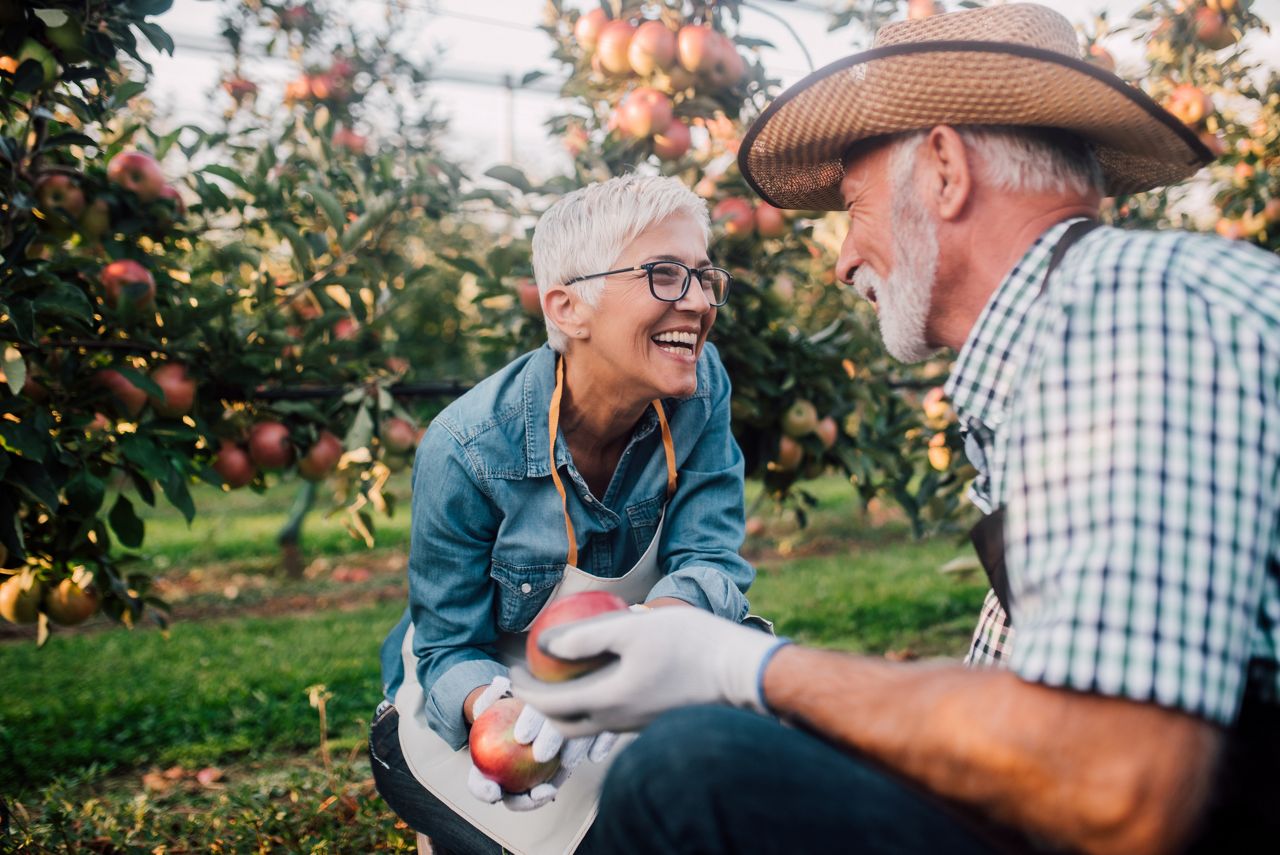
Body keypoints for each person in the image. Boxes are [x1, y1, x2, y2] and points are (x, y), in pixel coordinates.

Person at [513, 5, 1280, 854]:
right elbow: (1018, 701)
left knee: (692, 771)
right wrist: (724, 682)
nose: (843, 258)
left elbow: (1113, 776)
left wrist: (748, 669)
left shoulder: (1136, 321)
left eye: (854, 205)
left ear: (945, 170)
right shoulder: (1080, 334)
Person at [369, 174, 759, 855]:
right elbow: (446, 646)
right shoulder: (466, 449)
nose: (698, 302)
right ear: (567, 307)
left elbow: (708, 558)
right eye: (665, 275)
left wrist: (646, 648)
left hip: (619, 664)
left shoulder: (703, 386)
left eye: (704, 275)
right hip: (490, 693)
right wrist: (495, 714)